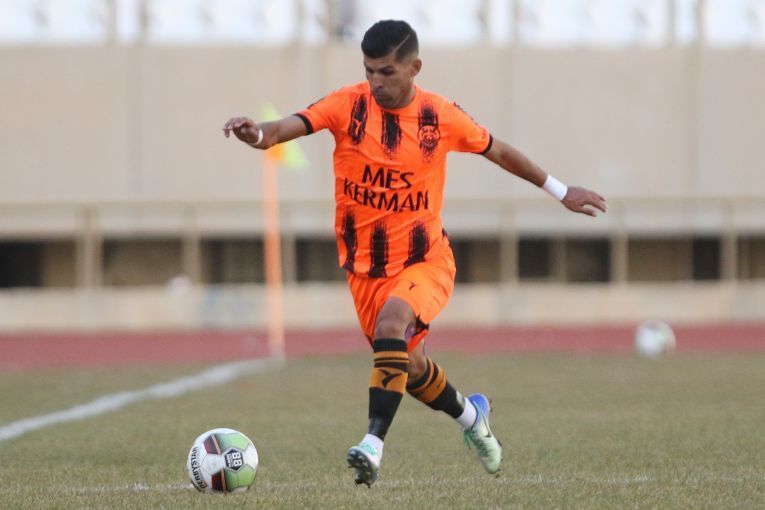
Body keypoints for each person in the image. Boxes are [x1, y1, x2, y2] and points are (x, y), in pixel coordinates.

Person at [223, 19, 607, 487]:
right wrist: (255, 134)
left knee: (392, 325)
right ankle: (473, 418)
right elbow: (284, 128)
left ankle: (372, 444)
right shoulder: (347, 105)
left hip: (425, 261)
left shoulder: (438, 116)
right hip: (364, 269)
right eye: (369, 71)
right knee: (411, 365)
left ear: (414, 68)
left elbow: (499, 152)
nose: (375, 82)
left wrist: (562, 191)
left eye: (386, 72)